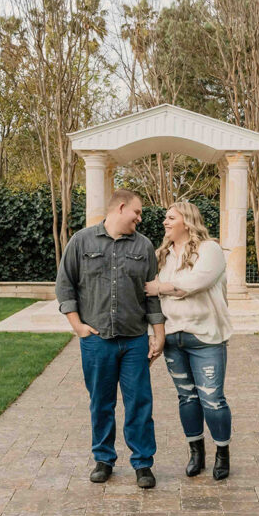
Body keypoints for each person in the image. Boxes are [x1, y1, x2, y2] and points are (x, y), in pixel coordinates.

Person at [55, 189, 165, 489]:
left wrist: (158, 334)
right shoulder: (81, 241)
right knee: (101, 402)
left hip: (134, 340)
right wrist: (77, 326)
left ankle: (143, 464)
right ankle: (103, 460)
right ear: (120, 208)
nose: (140, 219)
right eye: (137, 212)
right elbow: (65, 286)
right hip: (97, 340)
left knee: (139, 402)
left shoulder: (144, 247)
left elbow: (151, 296)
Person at [145, 202, 234, 480]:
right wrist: (155, 334)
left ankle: (222, 453)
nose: (165, 223)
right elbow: (154, 301)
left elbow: (195, 283)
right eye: (165, 218)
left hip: (206, 338)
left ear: (187, 220)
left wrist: (160, 287)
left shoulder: (210, 250)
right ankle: (197, 453)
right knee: (187, 398)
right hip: (173, 339)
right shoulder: (164, 255)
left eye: (170, 218)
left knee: (213, 400)